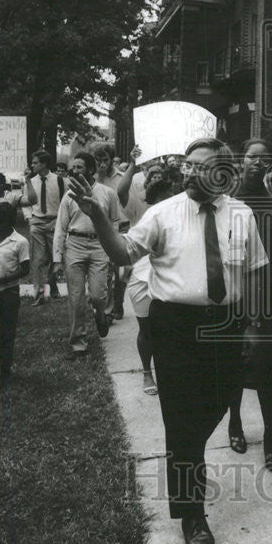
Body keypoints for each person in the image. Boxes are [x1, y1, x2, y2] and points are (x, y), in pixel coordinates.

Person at [67, 138, 267, 544]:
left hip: (226, 327)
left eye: (202, 166)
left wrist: (254, 324)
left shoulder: (242, 215)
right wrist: (99, 216)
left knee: (217, 403)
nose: (190, 172)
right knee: (181, 423)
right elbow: (122, 252)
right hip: (175, 327)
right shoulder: (163, 213)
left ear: (224, 174)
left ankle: (187, 455)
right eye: (188, 165)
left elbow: (254, 272)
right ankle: (192, 515)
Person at [226, 138, 272, 471]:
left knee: (268, 369)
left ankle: (268, 436)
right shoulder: (228, 202)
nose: (258, 164)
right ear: (242, 159)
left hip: (266, 297)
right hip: (234, 297)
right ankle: (235, 422)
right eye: (253, 158)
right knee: (234, 366)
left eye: (265, 161)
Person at [53, 151, 122, 356]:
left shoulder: (107, 193)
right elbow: (60, 228)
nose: (74, 171)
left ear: (91, 170)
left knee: (98, 296)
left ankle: (101, 315)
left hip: (99, 245)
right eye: (73, 167)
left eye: (79, 167)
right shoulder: (69, 195)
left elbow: (115, 223)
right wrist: (57, 258)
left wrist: (114, 248)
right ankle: (78, 342)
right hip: (74, 245)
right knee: (76, 297)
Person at [125, 176, 173, 395]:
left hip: (169, 278)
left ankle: (169, 373)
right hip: (143, 277)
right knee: (146, 330)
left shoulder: (182, 215)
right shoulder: (144, 213)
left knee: (170, 329)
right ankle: (147, 372)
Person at [0, 201, 30, 390]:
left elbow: (24, 270)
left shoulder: (20, 242)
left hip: (9, 293)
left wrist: (2, 281)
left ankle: (5, 369)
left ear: (6, 222)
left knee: (7, 334)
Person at [21, 149, 65, 305]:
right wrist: (29, 219)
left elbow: (64, 203)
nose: (32, 166)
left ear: (44, 164)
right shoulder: (30, 182)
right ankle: (40, 293)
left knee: (55, 258)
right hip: (37, 222)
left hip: (54, 222)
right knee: (38, 260)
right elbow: (25, 203)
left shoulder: (59, 180)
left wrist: (61, 222)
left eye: (35, 163)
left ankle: (51, 287)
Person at [93, 142, 128, 321]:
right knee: (105, 270)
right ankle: (108, 310)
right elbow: (94, 199)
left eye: (105, 160)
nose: (102, 164)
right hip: (102, 228)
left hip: (121, 226)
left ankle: (119, 304)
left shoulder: (121, 177)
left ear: (112, 159)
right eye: (98, 160)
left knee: (119, 271)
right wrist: (99, 177)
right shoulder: (94, 179)